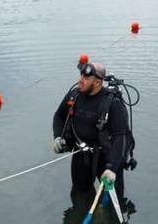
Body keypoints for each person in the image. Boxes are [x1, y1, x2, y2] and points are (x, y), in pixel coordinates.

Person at [52, 61, 131, 199]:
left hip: (107, 158)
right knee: (79, 194)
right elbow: (59, 116)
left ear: (98, 82)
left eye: (86, 78)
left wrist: (112, 168)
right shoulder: (74, 96)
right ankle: (79, 213)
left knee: (113, 200)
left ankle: (110, 214)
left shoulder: (113, 103)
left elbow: (121, 137)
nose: (80, 80)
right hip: (81, 155)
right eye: (81, 75)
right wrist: (58, 137)